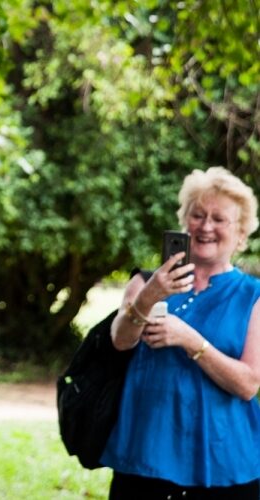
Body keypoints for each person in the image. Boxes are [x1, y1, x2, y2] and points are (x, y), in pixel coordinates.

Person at [101, 166, 260, 499]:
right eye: (197, 215)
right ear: (184, 222)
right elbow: (119, 340)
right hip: (144, 456)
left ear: (241, 233)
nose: (206, 226)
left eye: (220, 219)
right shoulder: (145, 282)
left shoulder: (253, 296)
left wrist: (189, 339)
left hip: (225, 463)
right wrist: (149, 296)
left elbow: (248, 384)